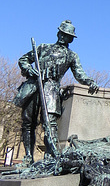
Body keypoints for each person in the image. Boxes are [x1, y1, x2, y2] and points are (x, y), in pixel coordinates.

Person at [13, 20, 99, 165]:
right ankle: (28, 157)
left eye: (66, 35)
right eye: (61, 33)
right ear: (58, 33)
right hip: (33, 85)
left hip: (51, 89)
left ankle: (50, 155)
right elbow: (24, 60)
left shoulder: (71, 55)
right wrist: (29, 68)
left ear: (71, 38)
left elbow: (79, 73)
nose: (62, 37)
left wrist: (89, 81)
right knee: (28, 123)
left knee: (50, 123)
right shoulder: (43, 47)